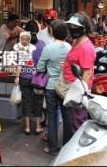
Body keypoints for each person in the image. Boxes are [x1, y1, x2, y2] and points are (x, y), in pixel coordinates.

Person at [36, 19, 71, 156]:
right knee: (67, 116)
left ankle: (52, 147)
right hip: (65, 86)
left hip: (51, 86)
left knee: (52, 116)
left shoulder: (48, 48)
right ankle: (67, 146)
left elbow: (40, 67)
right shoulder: (69, 48)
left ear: (52, 32)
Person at [62, 12, 96, 143]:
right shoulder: (76, 41)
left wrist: (80, 97)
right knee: (71, 120)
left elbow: (87, 73)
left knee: (77, 121)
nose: (72, 29)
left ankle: (78, 148)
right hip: (70, 86)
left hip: (77, 89)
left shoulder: (86, 47)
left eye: (76, 27)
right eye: (71, 26)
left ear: (84, 28)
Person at [13, 21, 46, 136]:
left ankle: (27, 127)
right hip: (38, 78)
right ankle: (37, 127)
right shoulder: (42, 45)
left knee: (26, 102)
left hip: (25, 77)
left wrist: (17, 76)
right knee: (38, 102)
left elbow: (19, 64)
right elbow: (44, 63)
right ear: (37, 30)